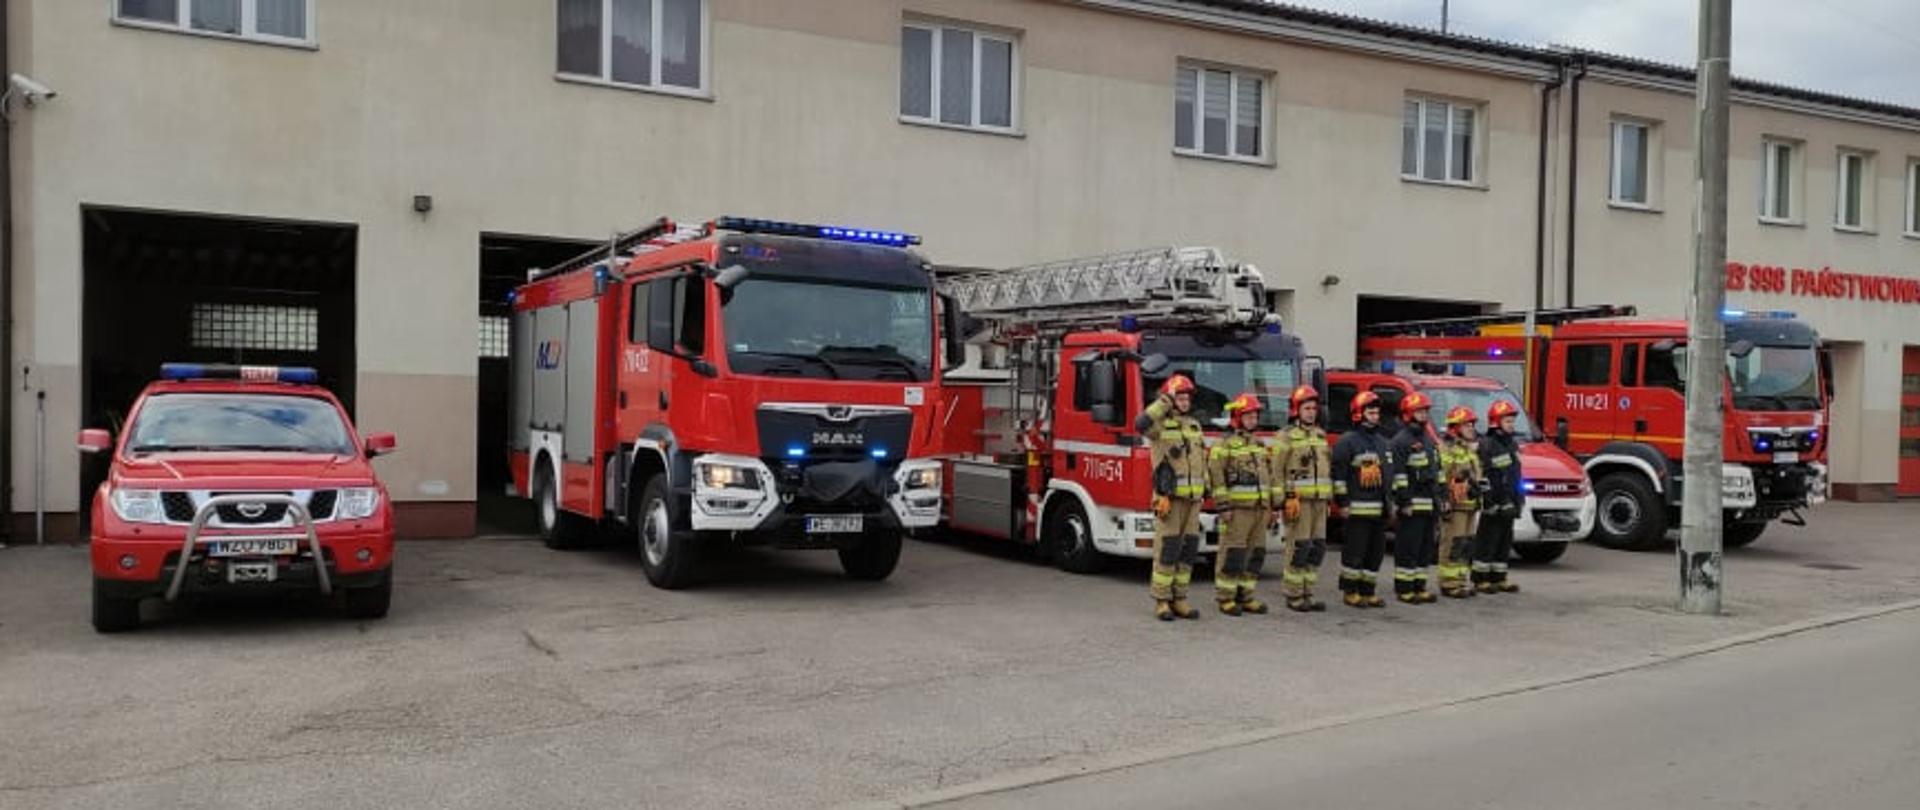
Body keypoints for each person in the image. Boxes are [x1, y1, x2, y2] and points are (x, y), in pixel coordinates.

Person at [1137, 374, 1209, 621]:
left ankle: (1180, 598)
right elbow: (1141, 423)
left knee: (1188, 550)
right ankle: (1162, 600)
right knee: (1167, 550)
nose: (1185, 401)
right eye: (1180, 396)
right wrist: (1163, 402)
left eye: (1187, 397)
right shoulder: (1159, 427)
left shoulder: (1194, 426)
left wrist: (1205, 489)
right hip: (1170, 499)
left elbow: (1201, 461)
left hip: (1192, 500)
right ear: (1170, 399)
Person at [1209, 393, 1272, 616]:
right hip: (1236, 511)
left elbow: (1268, 476)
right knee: (1232, 553)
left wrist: (1271, 506)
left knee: (1255, 554)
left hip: (1259, 509)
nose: (1253, 420)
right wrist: (1223, 507)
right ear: (1237, 417)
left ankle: (1246, 595)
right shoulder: (1223, 445)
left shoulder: (1259, 444)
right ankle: (1226, 597)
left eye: (1255, 416)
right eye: (1249, 416)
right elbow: (1216, 478)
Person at [1332, 391, 1395, 609]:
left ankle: (1368, 591)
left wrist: (1391, 504)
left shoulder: (1382, 442)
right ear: (1359, 414)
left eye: (1377, 412)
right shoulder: (1347, 442)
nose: (1375, 416)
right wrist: (1343, 503)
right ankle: (1350, 591)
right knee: (1354, 553)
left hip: (1379, 511)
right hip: (1357, 511)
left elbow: (1389, 475)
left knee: (1374, 554)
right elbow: (1339, 476)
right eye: (1370, 412)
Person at [1275, 385, 1331, 612]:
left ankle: (1308, 592)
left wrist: (1328, 499)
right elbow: (1277, 471)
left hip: (1319, 501)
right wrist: (1281, 500)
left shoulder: (1320, 435)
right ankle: (1293, 594)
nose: (1311, 412)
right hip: (1298, 502)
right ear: (1296, 410)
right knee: (1299, 547)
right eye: (1306, 408)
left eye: (1313, 408)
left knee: (1316, 547)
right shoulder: (1285, 437)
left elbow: (1326, 469)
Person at [1389, 392, 1441, 605]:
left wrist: (1441, 497)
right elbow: (1399, 475)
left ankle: (1419, 586)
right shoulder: (1401, 441)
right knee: (1408, 548)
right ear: (1409, 414)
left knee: (1424, 548)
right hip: (1412, 505)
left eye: (1425, 411)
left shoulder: (1427, 439)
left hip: (1429, 504)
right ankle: (1404, 588)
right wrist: (1404, 502)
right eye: (1420, 411)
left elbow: (1436, 470)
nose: (1424, 415)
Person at [1474, 399, 1526, 595]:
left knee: (1504, 541)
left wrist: (1518, 499)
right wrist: (1496, 501)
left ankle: (1499, 577)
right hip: (1494, 503)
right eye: (1507, 422)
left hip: (1510, 501)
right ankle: (1480, 578)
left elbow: (1514, 474)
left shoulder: (1511, 445)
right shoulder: (1487, 445)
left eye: (1512, 422)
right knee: (1488, 539)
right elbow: (1487, 477)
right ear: (1495, 423)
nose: (1511, 425)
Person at [1436, 405, 1484, 599]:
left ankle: (1461, 579)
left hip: (1470, 504)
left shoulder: (1469, 449)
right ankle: (1449, 583)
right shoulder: (1446, 448)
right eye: (1467, 425)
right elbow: (1445, 476)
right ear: (1455, 427)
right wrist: (1445, 499)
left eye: (1472, 424)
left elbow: (1475, 474)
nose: (1471, 428)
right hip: (1455, 505)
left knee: (1465, 544)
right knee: (1452, 543)